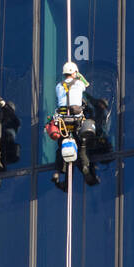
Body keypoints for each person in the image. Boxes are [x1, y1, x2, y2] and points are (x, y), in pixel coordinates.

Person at [48, 61, 100, 191]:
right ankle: (85, 168)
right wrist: (78, 75)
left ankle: (57, 172)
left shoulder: (58, 86)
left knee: (61, 146)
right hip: (76, 120)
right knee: (81, 146)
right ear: (74, 72)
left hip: (62, 121)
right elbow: (86, 84)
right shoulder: (79, 83)